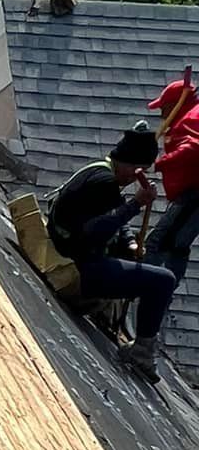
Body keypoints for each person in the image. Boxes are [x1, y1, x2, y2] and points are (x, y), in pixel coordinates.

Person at [47, 125, 173, 380]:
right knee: (164, 280)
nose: (136, 179)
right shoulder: (104, 184)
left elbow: (114, 218)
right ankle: (142, 352)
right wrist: (136, 203)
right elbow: (95, 232)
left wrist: (130, 243)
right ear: (128, 163)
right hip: (81, 266)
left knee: (136, 264)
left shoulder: (99, 171)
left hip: (70, 251)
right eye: (138, 172)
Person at [146, 75, 199, 280]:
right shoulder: (191, 115)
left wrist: (159, 164)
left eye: (164, 108)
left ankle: (147, 290)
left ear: (176, 105)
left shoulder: (192, 118)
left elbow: (193, 148)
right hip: (190, 193)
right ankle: (162, 293)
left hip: (194, 194)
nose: (162, 115)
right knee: (177, 245)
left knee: (158, 244)